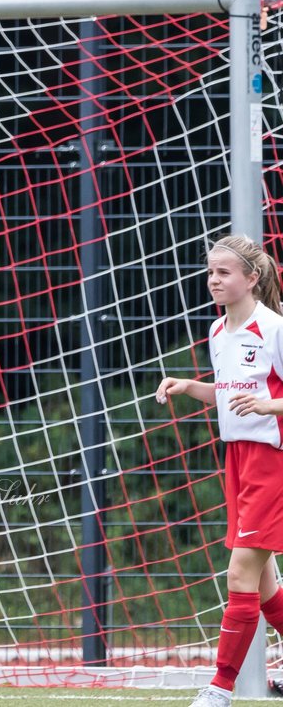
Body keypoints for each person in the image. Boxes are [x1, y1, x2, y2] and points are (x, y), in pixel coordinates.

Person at [154, 234, 283, 707]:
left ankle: (219, 688)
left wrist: (270, 405)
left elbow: (266, 399)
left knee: (239, 576)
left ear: (252, 278)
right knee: (265, 581)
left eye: (224, 272)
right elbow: (229, 393)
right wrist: (191, 386)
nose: (214, 280)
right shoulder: (216, 332)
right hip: (238, 462)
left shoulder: (273, 328)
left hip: (273, 463)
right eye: (211, 272)